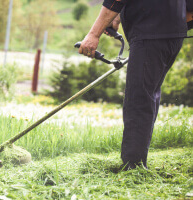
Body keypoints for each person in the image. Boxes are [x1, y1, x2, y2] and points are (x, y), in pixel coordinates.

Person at [79, 0, 192, 170]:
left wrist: (94, 34)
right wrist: (116, 18)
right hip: (171, 34)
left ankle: (133, 166)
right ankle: (136, 162)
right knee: (148, 95)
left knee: (138, 99)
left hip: (151, 32)